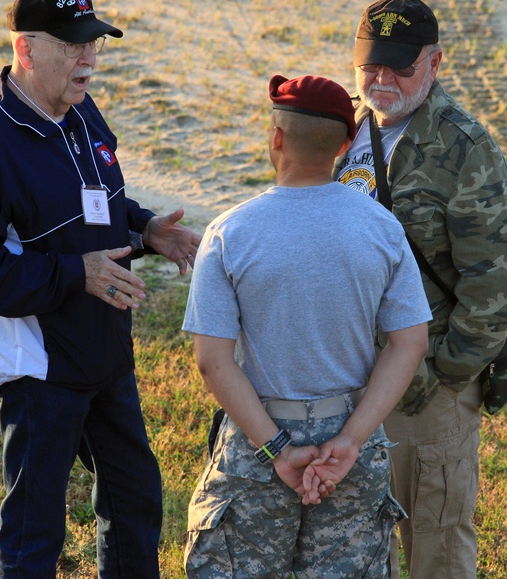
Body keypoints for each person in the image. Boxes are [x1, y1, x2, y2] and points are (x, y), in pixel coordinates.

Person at [0, 0, 201, 579]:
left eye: (95, 44)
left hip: (104, 349)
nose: (89, 60)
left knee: (135, 498)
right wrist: (75, 273)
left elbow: (98, 203)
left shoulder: (79, 109)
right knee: (36, 530)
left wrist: (145, 230)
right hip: (39, 366)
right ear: (26, 50)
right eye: (74, 45)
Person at [181, 74, 433, 578]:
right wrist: (351, 440)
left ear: (276, 138)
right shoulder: (382, 228)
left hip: (257, 441)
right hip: (351, 440)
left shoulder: (229, 233)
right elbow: (409, 344)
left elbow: (213, 361)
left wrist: (277, 449)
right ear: (343, 147)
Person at [334, 0, 507, 579]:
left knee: (436, 543)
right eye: (370, 65)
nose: (382, 79)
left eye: (401, 66)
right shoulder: (341, 128)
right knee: (359, 542)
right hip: (346, 378)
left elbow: (491, 283)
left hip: (427, 389)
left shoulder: (465, 148)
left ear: (436, 62)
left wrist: (444, 376)